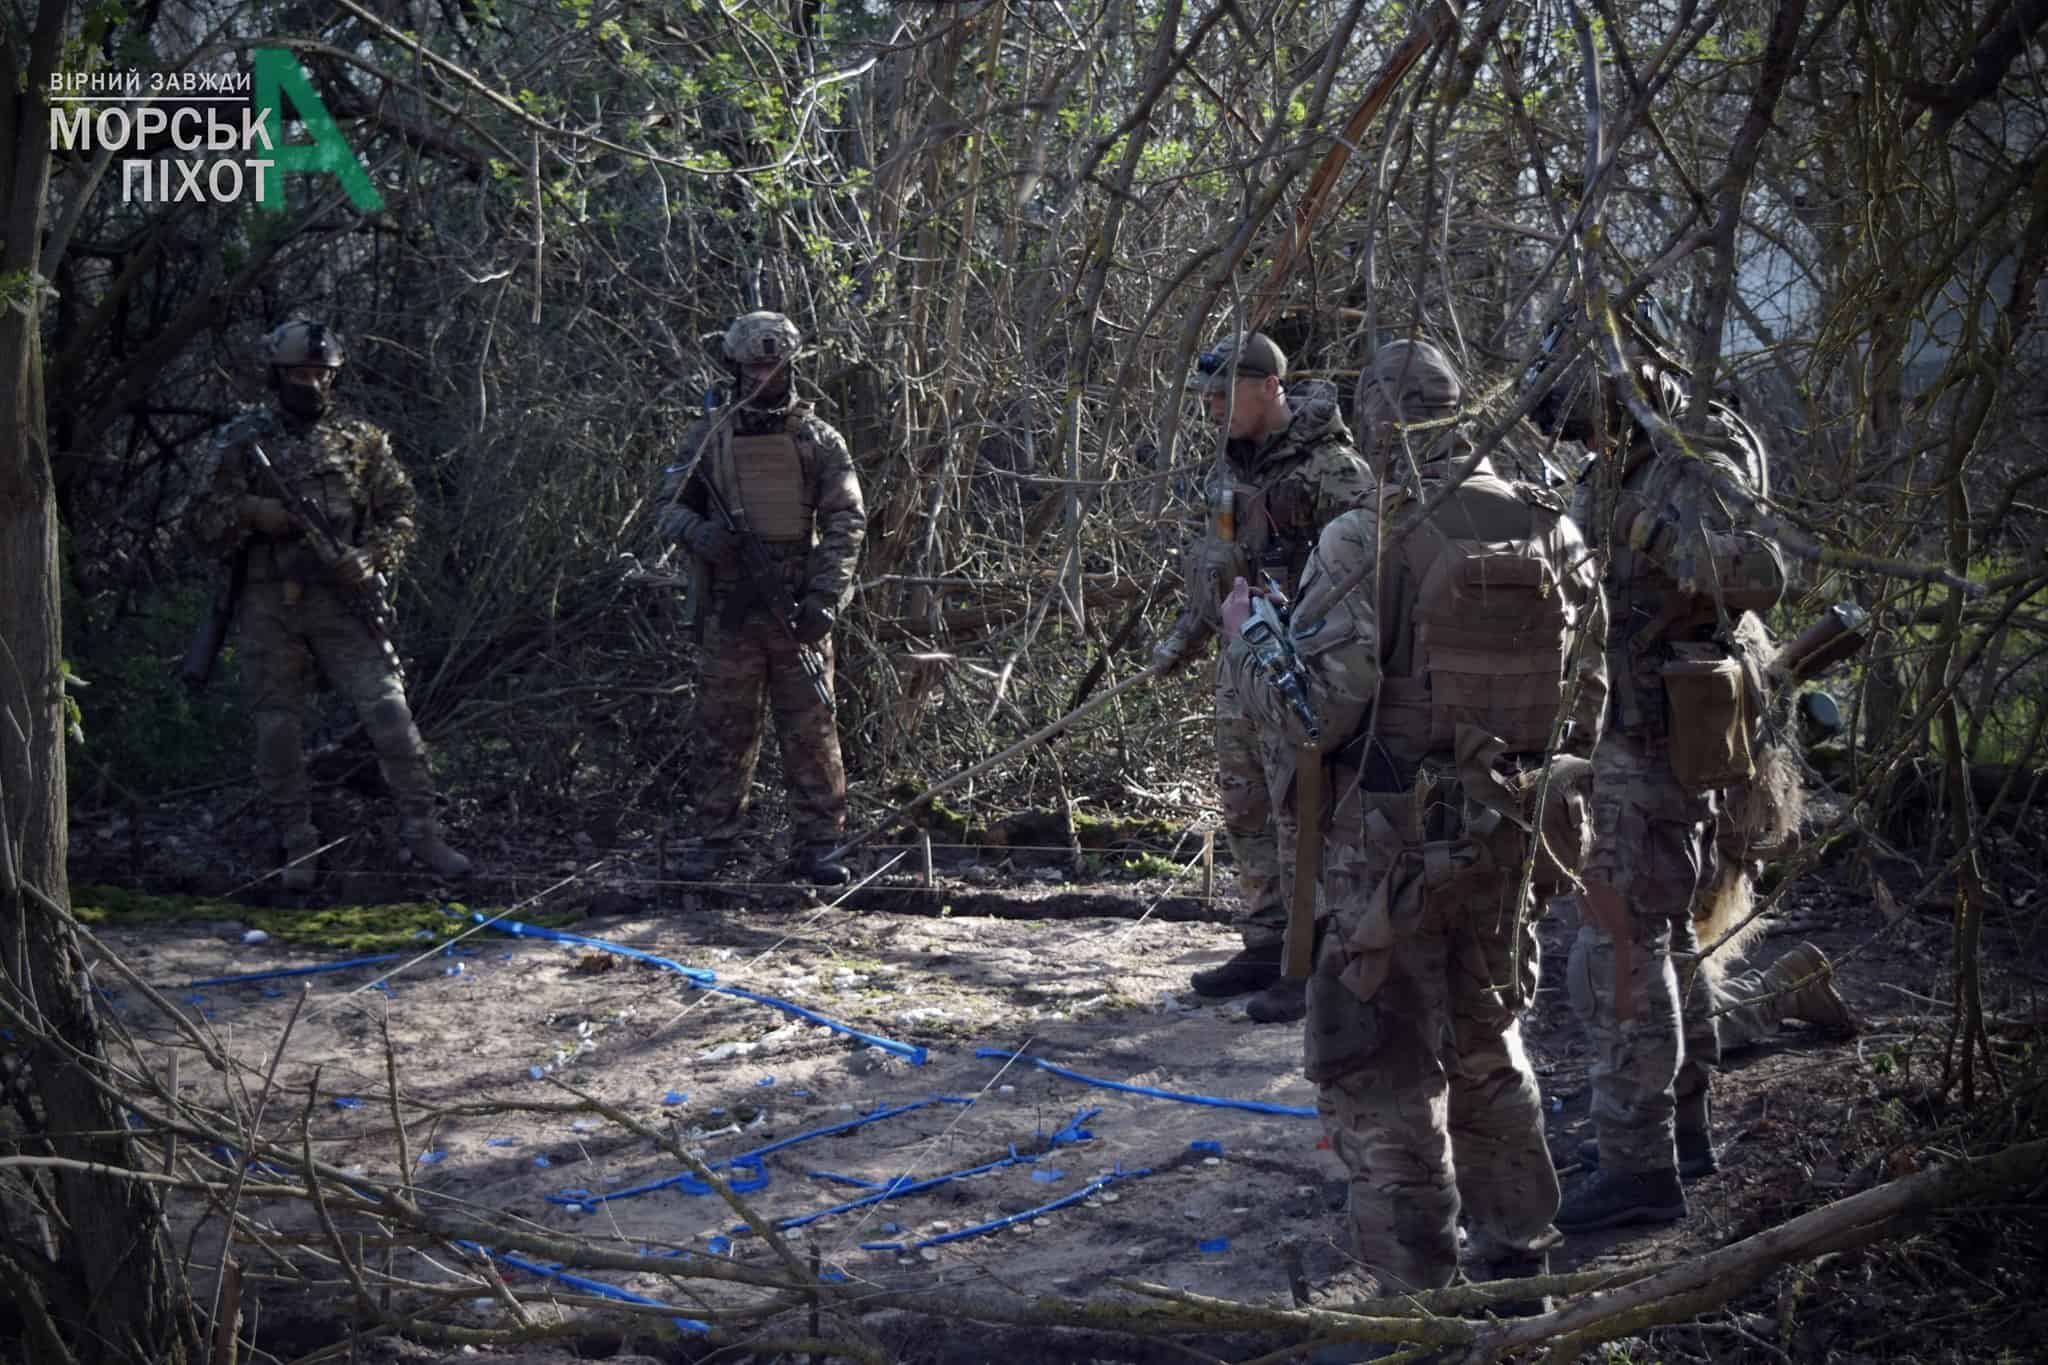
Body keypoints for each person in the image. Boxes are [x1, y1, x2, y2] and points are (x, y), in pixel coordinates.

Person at [1222, 339, 1609, 1306]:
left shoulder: (1368, 536)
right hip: (1510, 839)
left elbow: (1316, 714)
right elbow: (1588, 706)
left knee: (1377, 1070)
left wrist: (1251, 642)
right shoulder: (1556, 528)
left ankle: (1417, 1300)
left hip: (1382, 856)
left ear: (1378, 427)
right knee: (1488, 1044)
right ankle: (1520, 1268)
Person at [1526, 299, 1792, 1231]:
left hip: (1659, 750)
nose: (1578, 433)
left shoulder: (1693, 457)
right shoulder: (1622, 464)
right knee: (1660, 939)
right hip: (1625, 743)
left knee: (1617, 954)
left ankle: (1638, 1165)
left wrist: (1644, 529)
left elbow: (1760, 573)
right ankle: (1681, 1133)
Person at [190, 320, 471, 892]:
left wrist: (370, 557)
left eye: (321, 373)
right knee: (277, 728)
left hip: (344, 602)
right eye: (299, 373)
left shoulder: (361, 440)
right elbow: (199, 521)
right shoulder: (243, 440)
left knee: (390, 712)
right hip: (269, 603)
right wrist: (254, 513)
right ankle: (298, 842)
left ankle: (424, 832)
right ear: (277, 376)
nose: (311, 383)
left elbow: (402, 511)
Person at [1153, 331, 1373, 1024]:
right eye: (1206, 396)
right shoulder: (1228, 470)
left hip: (1300, 667)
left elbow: (1366, 582)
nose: (1211, 406)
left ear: (1270, 388)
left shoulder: (1334, 471)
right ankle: (1265, 940)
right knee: (1245, 803)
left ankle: (1309, 963)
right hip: (1239, 661)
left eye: (1224, 394)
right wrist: (1183, 640)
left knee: (1299, 812)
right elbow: (1220, 567)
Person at [658, 311, 866, 886]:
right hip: (729, 607)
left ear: (791, 366)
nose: (762, 377)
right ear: (735, 366)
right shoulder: (708, 436)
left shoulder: (817, 439)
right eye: (752, 367)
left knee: (812, 729)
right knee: (722, 729)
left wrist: (825, 597)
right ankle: (715, 841)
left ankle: (820, 845)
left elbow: (846, 521)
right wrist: (701, 533)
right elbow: (667, 506)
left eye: (773, 366)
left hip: (796, 605)